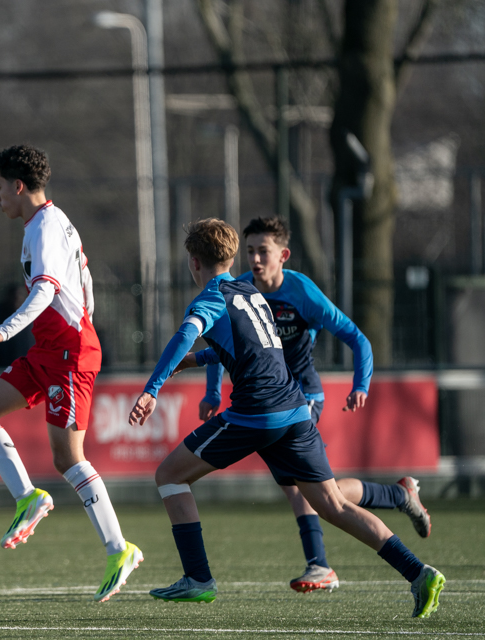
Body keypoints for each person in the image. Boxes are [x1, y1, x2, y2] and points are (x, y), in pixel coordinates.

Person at [129, 218, 444, 618]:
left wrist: (151, 389)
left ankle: (198, 579)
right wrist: (194, 362)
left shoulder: (211, 298)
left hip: (255, 414)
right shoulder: (253, 294)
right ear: (231, 256)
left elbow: (184, 334)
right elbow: (249, 348)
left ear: (194, 262)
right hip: (295, 411)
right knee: (333, 505)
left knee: (169, 475)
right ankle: (419, 573)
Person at [0, 144, 142, 602]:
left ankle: (120, 550)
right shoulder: (51, 221)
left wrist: (4, 332)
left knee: (68, 457)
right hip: (50, 349)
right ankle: (28, 498)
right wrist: (83, 317)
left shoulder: (43, 228)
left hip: (69, 353)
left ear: (18, 186)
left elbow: (45, 290)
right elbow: (85, 283)